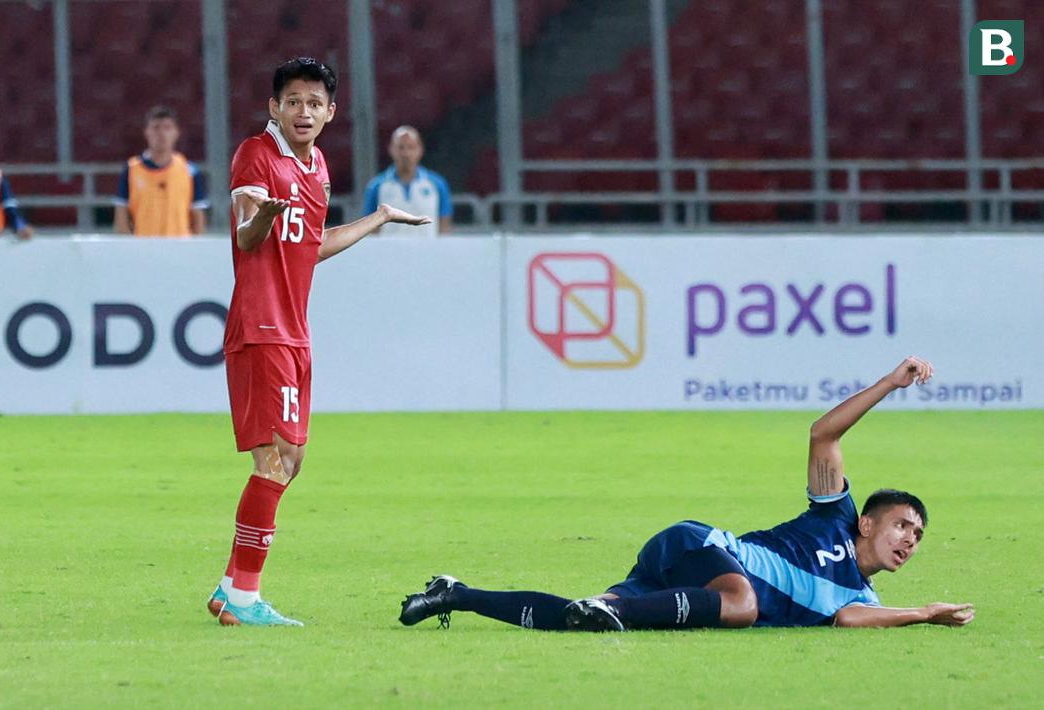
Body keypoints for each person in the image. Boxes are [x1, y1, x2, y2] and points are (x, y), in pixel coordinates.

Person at [400, 356, 977, 632]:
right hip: (699, 546)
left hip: (685, 581)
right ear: (869, 523)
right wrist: (889, 383)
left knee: (578, 617)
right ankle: (616, 609)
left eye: (919, 536)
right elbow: (823, 433)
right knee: (744, 606)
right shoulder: (834, 515)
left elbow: (850, 621)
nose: (910, 539)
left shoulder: (863, 602)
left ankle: (457, 594)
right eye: (903, 524)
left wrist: (924, 613)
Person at [206, 57, 431, 627]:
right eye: (293, 101)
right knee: (274, 460)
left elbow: (310, 245)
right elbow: (246, 232)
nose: (303, 111)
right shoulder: (256, 155)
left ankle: (230, 585)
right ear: (274, 107)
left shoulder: (318, 167)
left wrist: (377, 218)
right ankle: (246, 597)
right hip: (261, 328)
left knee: (293, 460)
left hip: (295, 331)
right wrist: (265, 217)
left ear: (330, 112)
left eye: (314, 103)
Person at [113, 106, 209, 237]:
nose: (161, 133)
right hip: (143, 250)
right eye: (156, 127)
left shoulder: (189, 171)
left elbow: (198, 219)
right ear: (146, 132)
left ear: (176, 132)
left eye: (167, 127)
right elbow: (121, 216)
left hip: (179, 250)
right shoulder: (131, 170)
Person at [362, 126, 452, 237]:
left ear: (420, 150)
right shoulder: (376, 187)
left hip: (427, 253)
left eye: (411, 147)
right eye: (401, 147)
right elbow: (370, 229)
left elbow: (444, 225)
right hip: (389, 253)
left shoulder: (437, 185)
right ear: (391, 149)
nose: (406, 153)